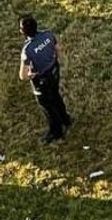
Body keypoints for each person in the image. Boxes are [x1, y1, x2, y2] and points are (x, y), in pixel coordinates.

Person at [18, 15, 71, 144]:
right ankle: (66, 119)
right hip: (54, 72)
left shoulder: (27, 50)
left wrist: (31, 74)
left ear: (23, 31)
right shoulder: (48, 34)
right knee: (56, 95)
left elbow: (22, 76)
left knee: (47, 106)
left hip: (42, 81)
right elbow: (58, 49)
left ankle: (56, 132)